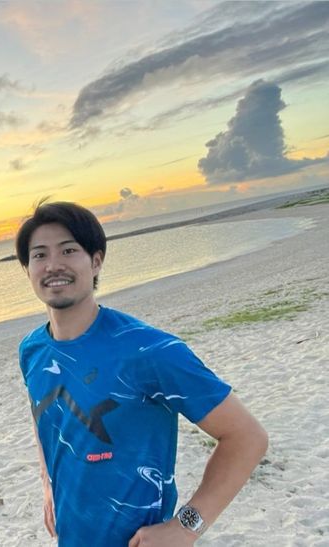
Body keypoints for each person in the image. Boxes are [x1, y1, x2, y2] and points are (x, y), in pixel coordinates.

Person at [15, 201, 268, 546]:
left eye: (69, 250)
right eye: (39, 255)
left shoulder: (149, 351)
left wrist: (185, 527)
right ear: (27, 269)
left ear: (96, 261)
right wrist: (48, 486)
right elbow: (45, 413)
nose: (53, 265)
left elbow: (247, 437)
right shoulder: (32, 350)